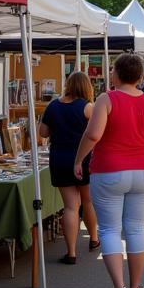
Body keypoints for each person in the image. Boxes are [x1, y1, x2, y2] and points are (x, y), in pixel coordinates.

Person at [74, 53, 144, 288]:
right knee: (136, 228)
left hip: (109, 169)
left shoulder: (107, 99)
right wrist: (142, 145)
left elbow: (94, 134)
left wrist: (78, 160)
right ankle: (137, 287)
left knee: (109, 229)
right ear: (140, 76)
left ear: (116, 73)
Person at [39, 71, 99, 264]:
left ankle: (71, 252)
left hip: (60, 158)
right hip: (85, 159)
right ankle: (94, 238)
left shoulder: (53, 105)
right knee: (88, 202)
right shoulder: (88, 107)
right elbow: (97, 134)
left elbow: (43, 133)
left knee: (70, 207)